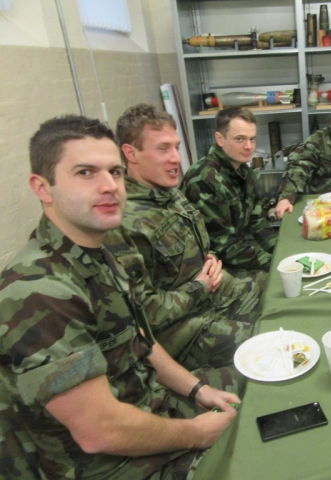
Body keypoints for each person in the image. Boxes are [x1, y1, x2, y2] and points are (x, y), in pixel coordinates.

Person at [0, 115, 242, 479]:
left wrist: (198, 390)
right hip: (109, 464)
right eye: (85, 172)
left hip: (150, 406)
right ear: (43, 188)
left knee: (264, 385)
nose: (109, 186)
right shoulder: (37, 288)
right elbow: (100, 431)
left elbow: (141, 341)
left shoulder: (101, 253)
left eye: (114, 172)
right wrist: (196, 433)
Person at [105, 103, 266, 370]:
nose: (176, 158)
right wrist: (199, 286)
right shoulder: (123, 222)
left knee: (280, 292)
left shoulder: (170, 195)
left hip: (214, 295)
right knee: (270, 344)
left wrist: (210, 258)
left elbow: (194, 245)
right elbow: (144, 314)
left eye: (176, 147)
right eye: (163, 149)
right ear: (131, 153)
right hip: (184, 331)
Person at [181, 107, 277, 272]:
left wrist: (278, 249)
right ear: (220, 139)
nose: (249, 146)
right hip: (213, 267)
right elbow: (224, 246)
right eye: (240, 139)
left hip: (240, 250)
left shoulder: (242, 170)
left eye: (252, 139)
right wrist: (275, 264)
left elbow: (255, 220)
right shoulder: (205, 179)